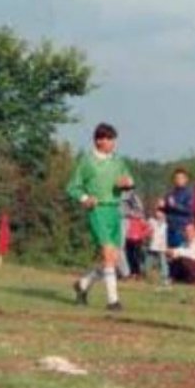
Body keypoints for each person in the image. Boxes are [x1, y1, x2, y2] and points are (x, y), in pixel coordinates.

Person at [67, 123, 134, 311]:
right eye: (109, 139)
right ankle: (113, 301)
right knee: (107, 253)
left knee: (111, 259)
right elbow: (72, 187)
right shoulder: (87, 161)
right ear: (99, 140)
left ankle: (82, 285)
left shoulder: (118, 161)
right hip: (98, 211)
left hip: (115, 211)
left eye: (113, 139)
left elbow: (128, 180)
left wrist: (127, 183)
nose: (113, 143)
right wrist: (85, 198)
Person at [163, 167, 194, 249]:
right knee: (171, 257)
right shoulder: (170, 194)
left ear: (186, 179)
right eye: (177, 178)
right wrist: (162, 207)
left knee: (182, 256)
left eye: (181, 178)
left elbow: (190, 210)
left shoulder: (189, 193)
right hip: (170, 229)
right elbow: (167, 211)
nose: (179, 180)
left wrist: (175, 205)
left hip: (182, 230)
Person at [122, 187, 148, 279]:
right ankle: (131, 272)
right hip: (129, 238)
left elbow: (147, 228)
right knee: (129, 255)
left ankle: (138, 273)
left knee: (137, 257)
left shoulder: (139, 219)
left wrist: (142, 236)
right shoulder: (129, 220)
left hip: (137, 240)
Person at [147, 204, 170, 286]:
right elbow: (148, 230)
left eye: (161, 212)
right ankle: (147, 275)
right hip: (153, 245)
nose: (159, 214)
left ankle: (165, 277)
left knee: (163, 262)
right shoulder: (152, 221)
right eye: (157, 212)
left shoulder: (166, 224)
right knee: (149, 261)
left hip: (162, 246)